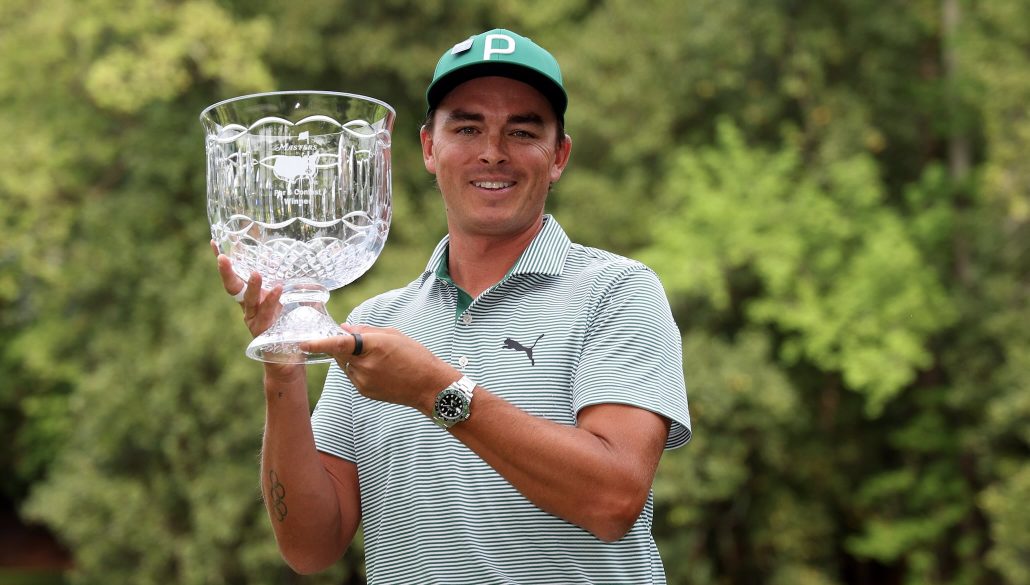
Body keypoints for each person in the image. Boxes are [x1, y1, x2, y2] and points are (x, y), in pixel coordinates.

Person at [214, 28, 691, 584]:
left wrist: (436, 391)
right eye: (467, 127)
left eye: (522, 130)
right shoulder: (379, 321)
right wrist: (284, 364)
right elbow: (310, 546)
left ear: (558, 156)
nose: (493, 151)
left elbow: (612, 499)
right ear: (428, 148)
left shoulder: (618, 290)